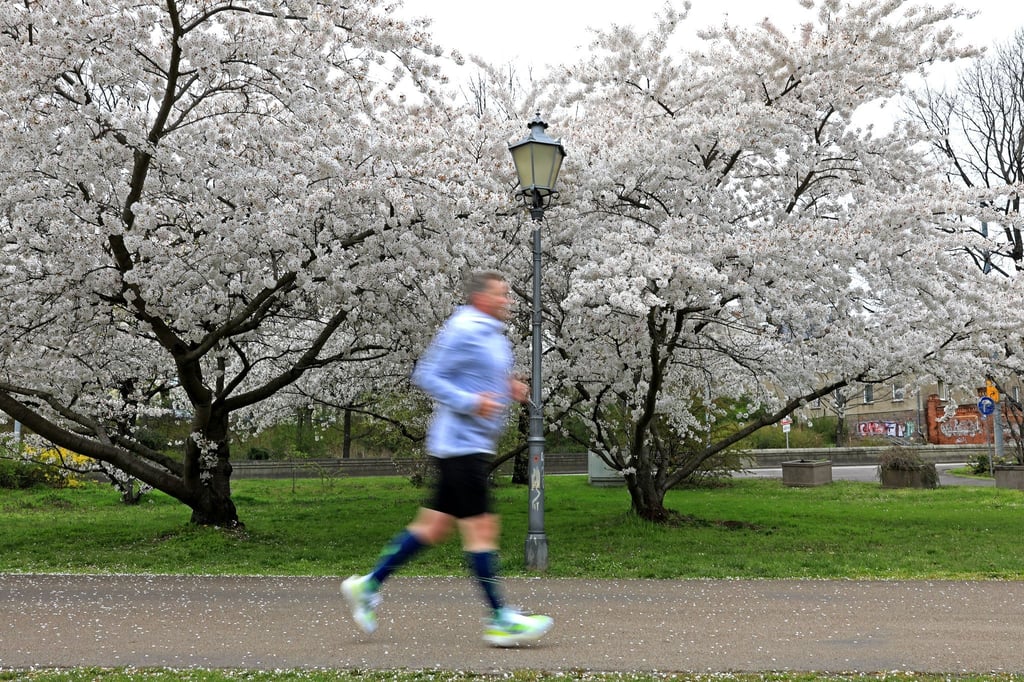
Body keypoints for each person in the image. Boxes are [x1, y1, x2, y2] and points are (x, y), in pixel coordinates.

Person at [341, 270, 553, 647]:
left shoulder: (490, 334)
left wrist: (506, 388)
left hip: (470, 446)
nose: (507, 301)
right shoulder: (463, 328)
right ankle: (500, 618)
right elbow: (428, 375)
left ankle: (369, 584)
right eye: (501, 295)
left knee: (433, 528)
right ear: (481, 298)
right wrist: (473, 403)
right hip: (460, 448)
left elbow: (477, 378)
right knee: (481, 531)